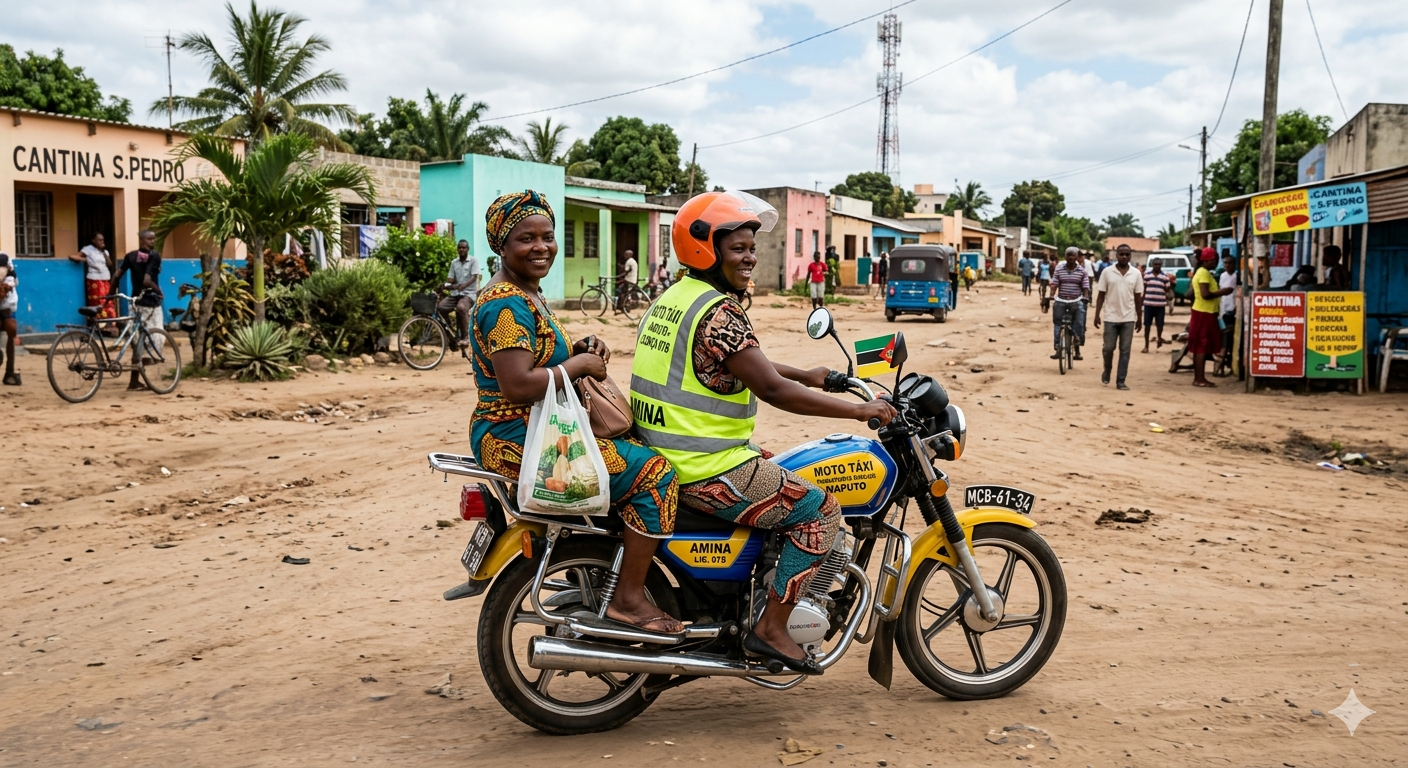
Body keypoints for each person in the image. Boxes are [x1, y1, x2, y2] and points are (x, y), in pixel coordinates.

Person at [632, 191, 895, 674]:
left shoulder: (676, 299)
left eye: (752, 247)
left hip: (668, 455)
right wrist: (859, 413)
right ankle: (772, 628)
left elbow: (737, 364)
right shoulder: (720, 312)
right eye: (738, 248)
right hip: (702, 468)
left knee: (782, 473)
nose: (750, 256)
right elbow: (771, 389)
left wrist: (807, 373)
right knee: (820, 510)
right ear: (705, 250)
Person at [469, 190, 681, 634]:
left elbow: (535, 359)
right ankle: (627, 599)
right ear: (501, 245)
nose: (541, 247)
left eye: (548, 236)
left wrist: (578, 348)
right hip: (517, 435)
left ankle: (600, 566)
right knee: (655, 475)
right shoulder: (505, 303)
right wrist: (578, 365)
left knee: (635, 446)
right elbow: (518, 383)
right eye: (527, 238)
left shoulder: (526, 294)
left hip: (535, 428)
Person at [110, 230, 165, 391]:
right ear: (142, 240)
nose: (153, 241)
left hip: (135, 303)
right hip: (150, 303)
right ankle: (143, 369)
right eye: (149, 238)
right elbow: (147, 280)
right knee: (156, 337)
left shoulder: (131, 256)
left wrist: (110, 294)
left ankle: (134, 381)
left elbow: (117, 275)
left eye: (154, 238)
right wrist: (159, 291)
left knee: (136, 341)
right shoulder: (155, 256)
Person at [1093, 244, 1143, 390]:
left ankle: (1121, 380)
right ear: (1116, 255)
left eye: (1127, 254)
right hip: (1110, 317)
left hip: (1128, 317)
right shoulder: (1107, 272)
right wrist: (1097, 315)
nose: (1124, 257)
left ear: (1130, 256)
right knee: (1108, 348)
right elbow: (1101, 295)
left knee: (1125, 350)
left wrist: (1139, 318)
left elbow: (1138, 297)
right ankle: (1107, 369)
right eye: (1121, 254)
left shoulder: (1136, 274)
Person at [1187, 247, 1232, 387]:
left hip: (1204, 312)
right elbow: (1205, 294)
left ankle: (1199, 377)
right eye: (1214, 260)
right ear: (1207, 261)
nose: (1215, 263)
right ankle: (1199, 378)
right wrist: (1222, 292)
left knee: (1201, 346)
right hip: (1203, 312)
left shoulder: (1201, 272)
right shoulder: (1204, 274)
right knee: (1201, 346)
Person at [1050, 247, 1090, 361]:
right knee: (1057, 323)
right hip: (1061, 300)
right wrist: (1051, 295)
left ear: (1077, 257)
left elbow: (1085, 287)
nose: (1071, 257)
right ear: (1065, 256)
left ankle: (1077, 341)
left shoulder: (1082, 271)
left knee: (1079, 322)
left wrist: (1086, 297)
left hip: (1076, 300)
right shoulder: (1059, 269)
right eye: (1069, 255)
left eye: (1073, 255)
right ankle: (1057, 347)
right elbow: (1054, 284)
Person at [69, 232, 116, 325]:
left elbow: (110, 264)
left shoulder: (105, 252)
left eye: (103, 240)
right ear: (94, 241)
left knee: (108, 301)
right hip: (94, 279)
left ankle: (109, 323)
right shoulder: (88, 249)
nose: (102, 241)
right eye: (99, 240)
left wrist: (104, 253)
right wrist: (84, 260)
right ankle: (99, 325)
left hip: (105, 279)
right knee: (98, 301)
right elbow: (72, 256)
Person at [439, 239, 478, 347]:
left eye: (464, 247)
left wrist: (463, 286)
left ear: (467, 249)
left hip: (468, 295)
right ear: (457, 249)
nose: (461, 249)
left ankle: (465, 338)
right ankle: (451, 334)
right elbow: (451, 279)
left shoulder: (473, 261)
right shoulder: (454, 263)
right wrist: (445, 285)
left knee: (461, 307)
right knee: (440, 308)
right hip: (455, 294)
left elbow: (474, 277)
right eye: (460, 247)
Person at [1142, 257, 1173, 352]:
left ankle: (1159, 338)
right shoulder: (1147, 276)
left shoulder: (1165, 277)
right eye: (1155, 264)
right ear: (1152, 265)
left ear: (1161, 265)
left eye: (1159, 264)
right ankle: (1146, 346)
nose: (1157, 266)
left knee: (1160, 325)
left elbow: (1168, 290)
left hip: (1160, 305)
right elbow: (1144, 288)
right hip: (1148, 305)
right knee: (1147, 326)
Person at [0, 251, 18, 385]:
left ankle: (10, 372)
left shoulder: (4, 257)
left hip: (6, 306)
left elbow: (12, 280)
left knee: (11, 331)